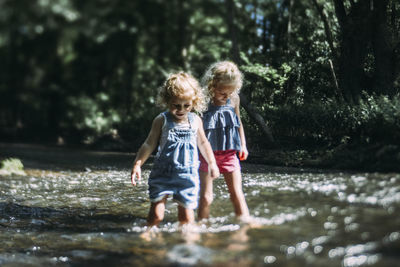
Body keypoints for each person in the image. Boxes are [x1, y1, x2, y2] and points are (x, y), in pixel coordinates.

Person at [131, 72, 219, 227]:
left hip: (188, 175)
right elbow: (149, 144)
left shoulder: (196, 120)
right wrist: (138, 164)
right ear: (167, 101)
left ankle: (184, 245)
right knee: (156, 215)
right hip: (163, 173)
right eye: (176, 106)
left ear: (194, 102)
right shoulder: (162, 120)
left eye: (187, 106)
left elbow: (204, 143)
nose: (181, 110)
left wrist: (212, 163)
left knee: (186, 219)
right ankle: (149, 236)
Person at [198, 61, 250, 221]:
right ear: (212, 86)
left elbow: (238, 121)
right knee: (206, 197)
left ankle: (246, 224)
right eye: (222, 92)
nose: (226, 96)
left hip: (229, 153)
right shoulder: (203, 101)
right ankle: (202, 226)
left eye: (231, 92)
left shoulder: (234, 99)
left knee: (237, 194)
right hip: (207, 156)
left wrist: (243, 144)